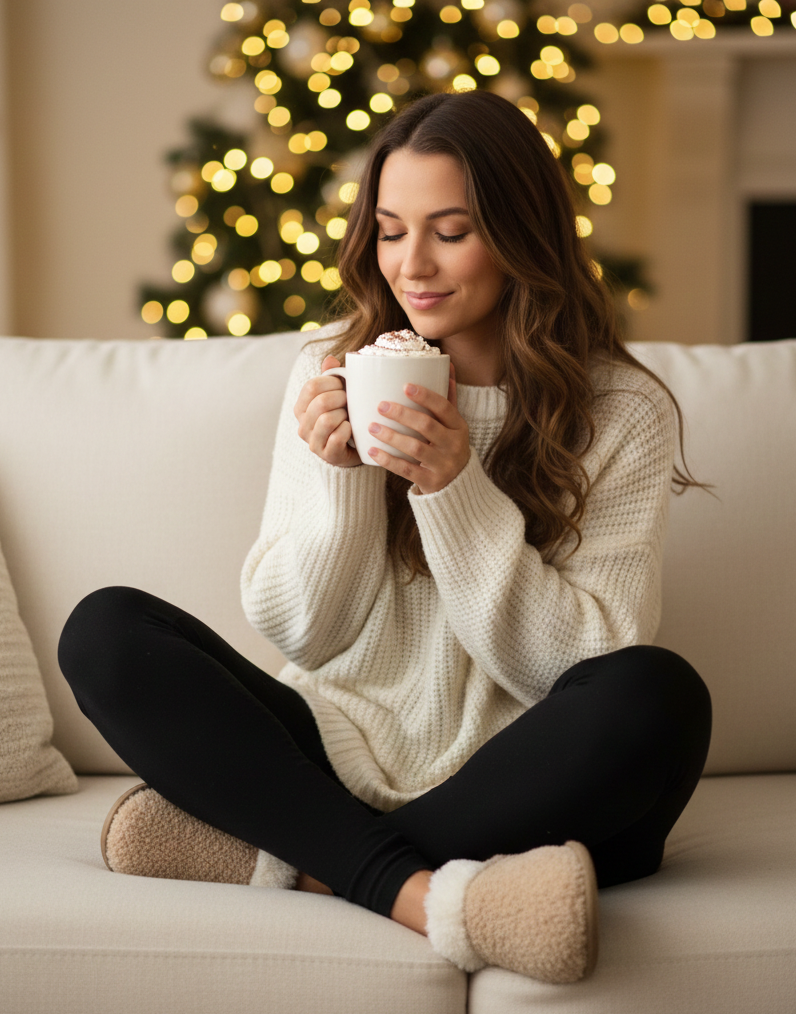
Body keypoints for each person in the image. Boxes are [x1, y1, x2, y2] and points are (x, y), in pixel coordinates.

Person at [58, 90, 712, 984]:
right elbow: (306, 635)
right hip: (335, 746)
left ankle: (301, 862)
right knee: (105, 628)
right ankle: (432, 892)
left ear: (522, 235)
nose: (413, 264)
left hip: (517, 778)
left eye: (450, 230)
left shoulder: (619, 411)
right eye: (391, 229)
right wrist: (340, 478)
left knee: (658, 695)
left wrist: (453, 489)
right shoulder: (329, 369)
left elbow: (575, 665)